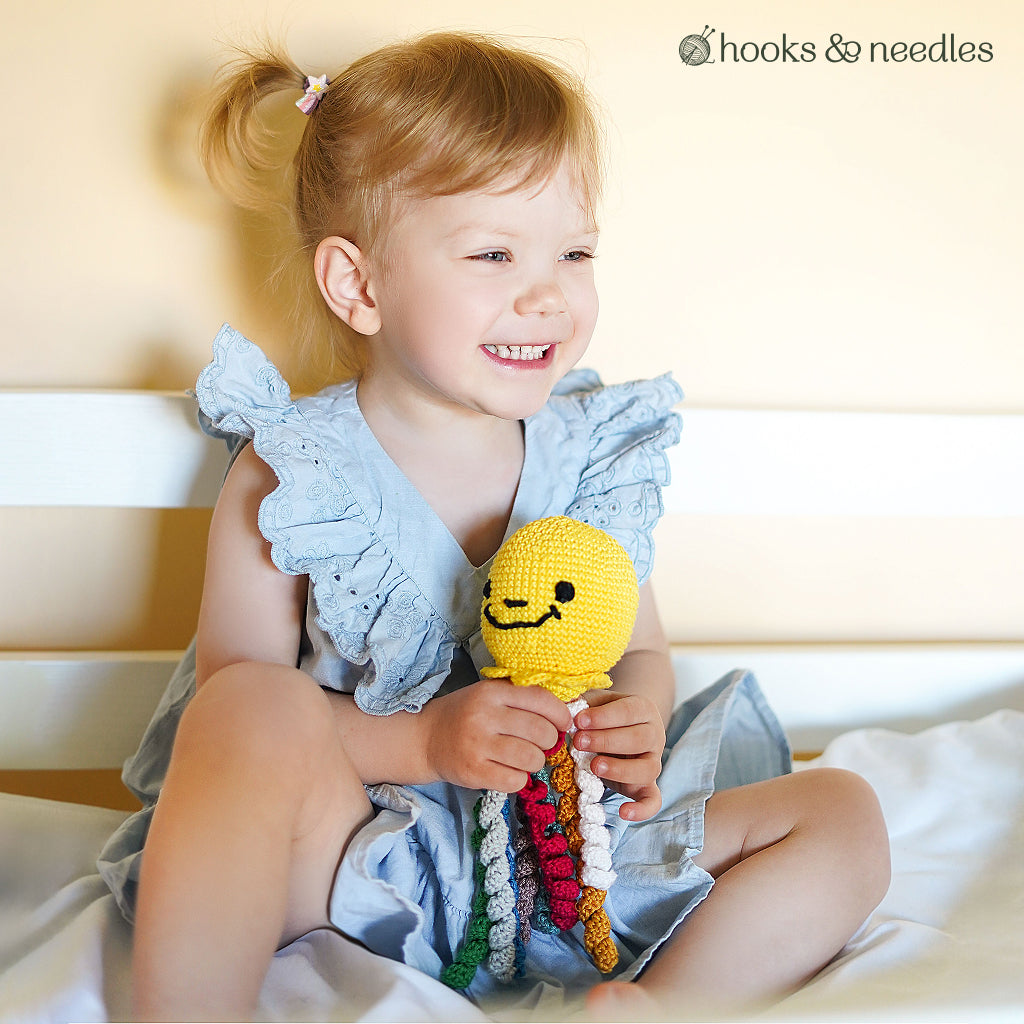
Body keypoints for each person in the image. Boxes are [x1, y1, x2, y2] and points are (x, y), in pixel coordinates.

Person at [98, 29, 890, 1022]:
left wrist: (635, 719)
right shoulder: (296, 470)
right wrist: (426, 741)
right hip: (367, 868)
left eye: (574, 250)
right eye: (491, 252)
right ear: (360, 284)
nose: (547, 290)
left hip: (583, 867)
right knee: (249, 710)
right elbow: (234, 720)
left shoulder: (587, 457)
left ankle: (663, 1006)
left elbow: (639, 648)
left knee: (841, 811)